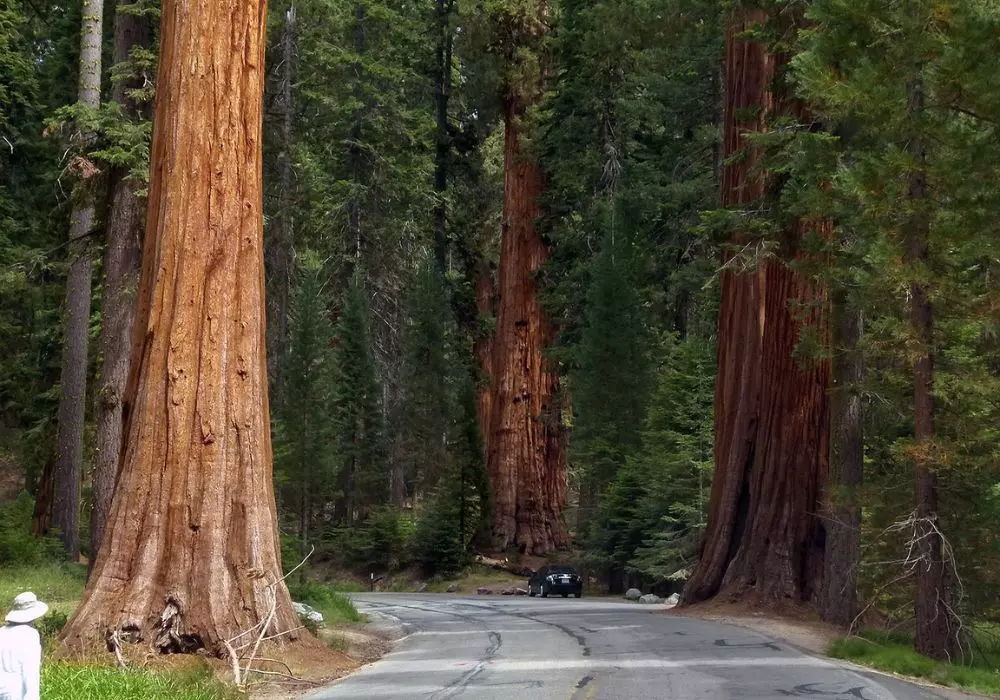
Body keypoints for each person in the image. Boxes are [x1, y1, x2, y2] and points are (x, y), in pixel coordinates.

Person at [0, 592, 47, 700]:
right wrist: (33, 695)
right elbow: (30, 668)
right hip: (17, 691)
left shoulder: (1, 632)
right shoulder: (30, 634)